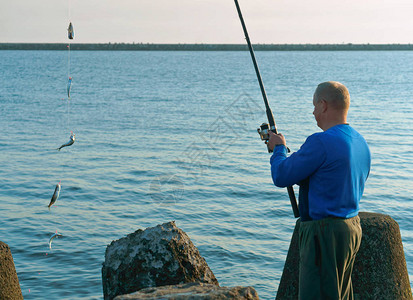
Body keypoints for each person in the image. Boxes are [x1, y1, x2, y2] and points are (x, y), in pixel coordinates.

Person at [268, 81, 371, 300]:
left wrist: (278, 149)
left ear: (323, 105)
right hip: (351, 229)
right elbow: (330, 176)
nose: (313, 112)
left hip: (324, 234)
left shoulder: (321, 142)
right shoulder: (360, 142)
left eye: (314, 106)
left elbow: (281, 175)